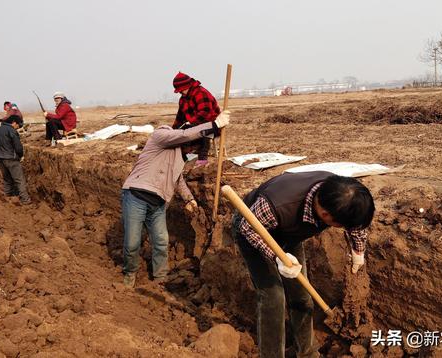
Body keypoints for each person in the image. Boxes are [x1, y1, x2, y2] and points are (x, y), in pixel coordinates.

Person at [232, 172, 375, 358]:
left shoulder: (342, 196)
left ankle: (307, 352)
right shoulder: (277, 205)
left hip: (289, 234)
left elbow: (355, 225)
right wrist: (276, 257)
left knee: (301, 293)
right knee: (273, 297)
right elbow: (247, 228)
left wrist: (358, 253)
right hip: (253, 230)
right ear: (325, 215)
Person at [120, 110, 231, 288]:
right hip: (136, 195)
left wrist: (190, 199)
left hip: (157, 203)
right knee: (132, 242)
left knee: (161, 240)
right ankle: (130, 274)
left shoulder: (180, 158)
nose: (191, 151)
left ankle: (160, 278)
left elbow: (178, 180)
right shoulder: (161, 136)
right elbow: (185, 134)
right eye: (192, 147)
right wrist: (213, 126)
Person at [172, 72, 221, 167]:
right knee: (180, 133)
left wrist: (191, 123)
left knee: (201, 131)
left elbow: (205, 113)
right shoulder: (183, 99)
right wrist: (173, 131)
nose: (180, 92)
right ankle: (186, 158)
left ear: (187, 86)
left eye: (181, 90)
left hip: (212, 125)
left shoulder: (201, 93)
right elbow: (180, 117)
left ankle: (202, 159)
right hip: (193, 125)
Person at [0, 115, 31, 205]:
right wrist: (20, 156)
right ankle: (25, 200)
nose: (17, 128)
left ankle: (7, 197)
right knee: (19, 180)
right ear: (14, 122)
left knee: (7, 179)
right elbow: (18, 147)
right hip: (10, 158)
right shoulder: (11, 131)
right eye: (18, 126)